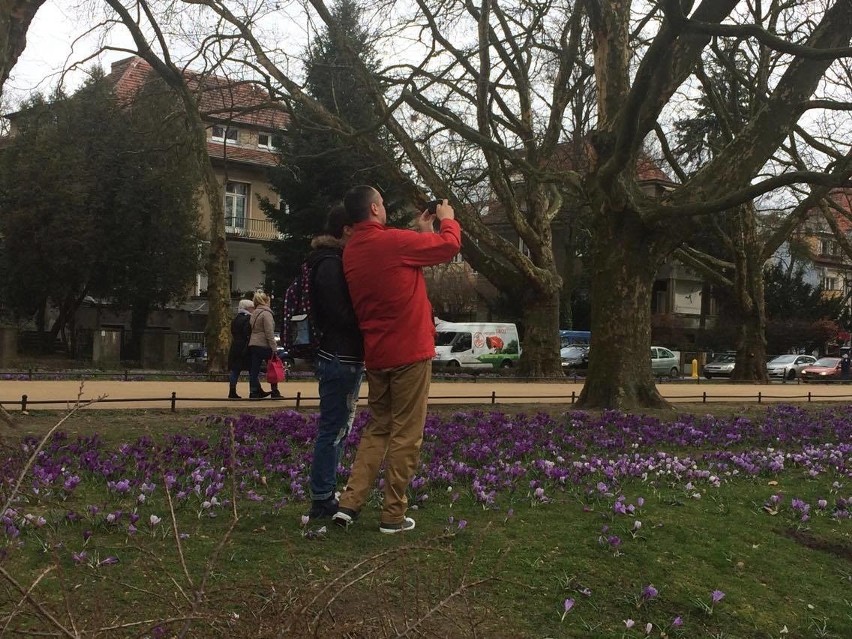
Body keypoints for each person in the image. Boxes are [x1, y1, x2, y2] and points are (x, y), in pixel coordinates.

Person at [332, 186, 461, 534]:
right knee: (407, 434)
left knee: (378, 428)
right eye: (384, 203)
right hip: (410, 352)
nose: (386, 208)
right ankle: (392, 513)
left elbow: (406, 265)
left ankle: (350, 502)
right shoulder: (391, 241)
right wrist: (447, 221)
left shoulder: (353, 251)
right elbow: (448, 247)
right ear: (374, 208)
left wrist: (423, 232)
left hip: (378, 354)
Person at [305, 204, 365, 519]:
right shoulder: (330, 264)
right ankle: (322, 496)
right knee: (333, 428)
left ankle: (325, 492)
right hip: (340, 355)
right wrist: (367, 319)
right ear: (347, 230)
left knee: (338, 427)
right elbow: (338, 313)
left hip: (340, 354)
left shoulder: (328, 261)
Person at [248, 290, 281, 400]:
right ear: (266, 301)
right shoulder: (267, 313)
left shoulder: (254, 313)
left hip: (254, 343)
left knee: (254, 370)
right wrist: (274, 347)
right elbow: (269, 332)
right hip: (265, 344)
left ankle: (253, 391)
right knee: (273, 367)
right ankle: (274, 390)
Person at [227, 298, 254, 399]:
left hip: (235, 345)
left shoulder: (235, 319)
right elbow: (247, 333)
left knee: (235, 369)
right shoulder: (248, 319)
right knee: (252, 369)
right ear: (247, 308)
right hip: (245, 346)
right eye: (252, 308)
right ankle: (254, 390)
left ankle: (232, 390)